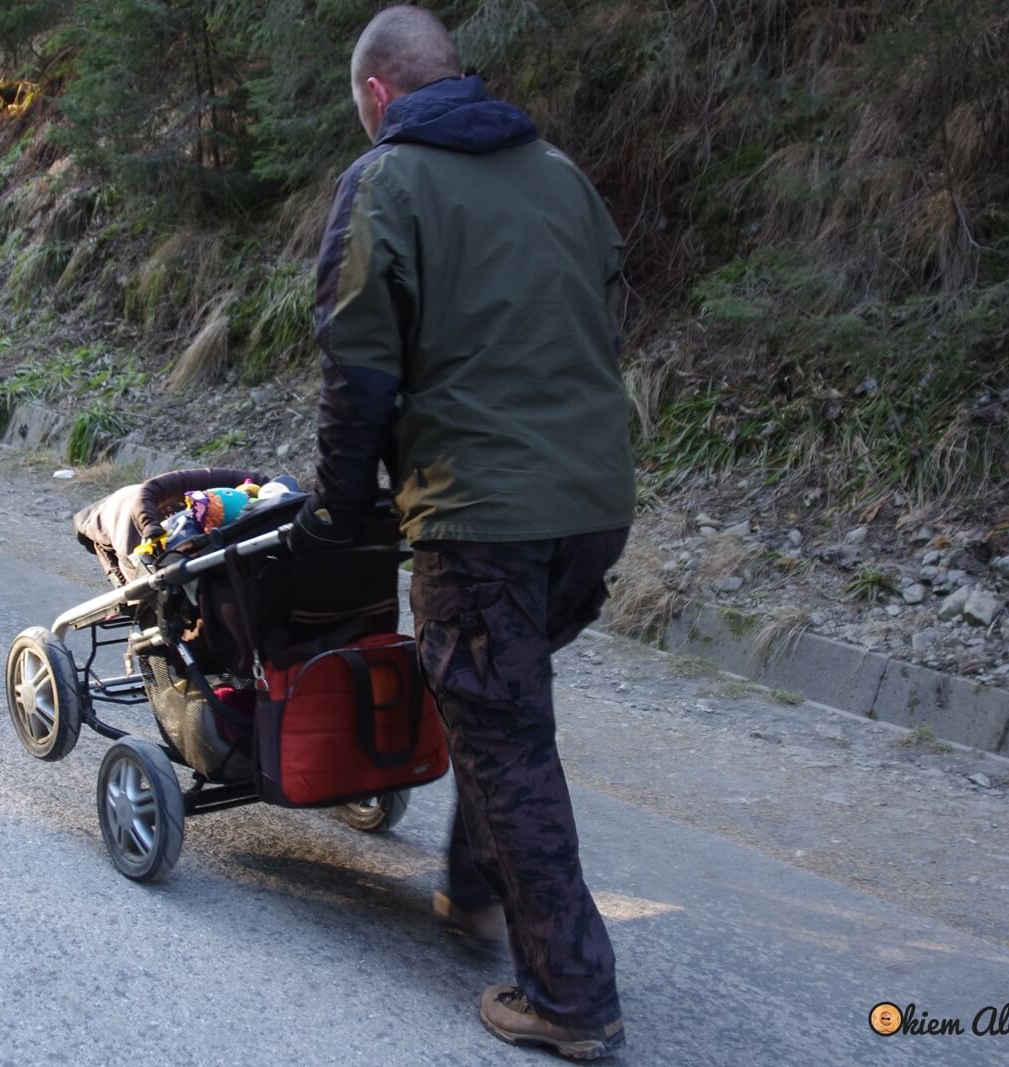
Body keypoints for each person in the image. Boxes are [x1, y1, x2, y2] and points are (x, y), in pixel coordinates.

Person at [287, 6, 636, 1061]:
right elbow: (602, 317)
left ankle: (569, 993)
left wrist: (340, 512)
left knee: (506, 732)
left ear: (377, 96)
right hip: (592, 505)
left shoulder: (388, 182)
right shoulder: (563, 175)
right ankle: (477, 887)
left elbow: (358, 367)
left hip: (482, 508)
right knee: (504, 702)